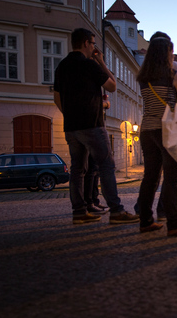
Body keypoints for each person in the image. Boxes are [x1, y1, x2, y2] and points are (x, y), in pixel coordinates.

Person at [53, 27, 138, 225]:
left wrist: (70, 114)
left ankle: (79, 212)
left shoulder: (62, 66)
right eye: (93, 44)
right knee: (106, 165)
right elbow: (113, 86)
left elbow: (57, 98)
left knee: (77, 169)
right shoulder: (88, 65)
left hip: (71, 127)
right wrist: (100, 61)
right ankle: (116, 211)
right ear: (85, 43)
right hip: (91, 124)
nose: (94, 47)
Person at [136, 36, 177, 236]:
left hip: (147, 129)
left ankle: (145, 221)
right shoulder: (172, 75)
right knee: (172, 177)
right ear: (167, 53)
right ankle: (174, 224)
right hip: (167, 130)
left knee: (150, 177)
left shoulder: (143, 78)